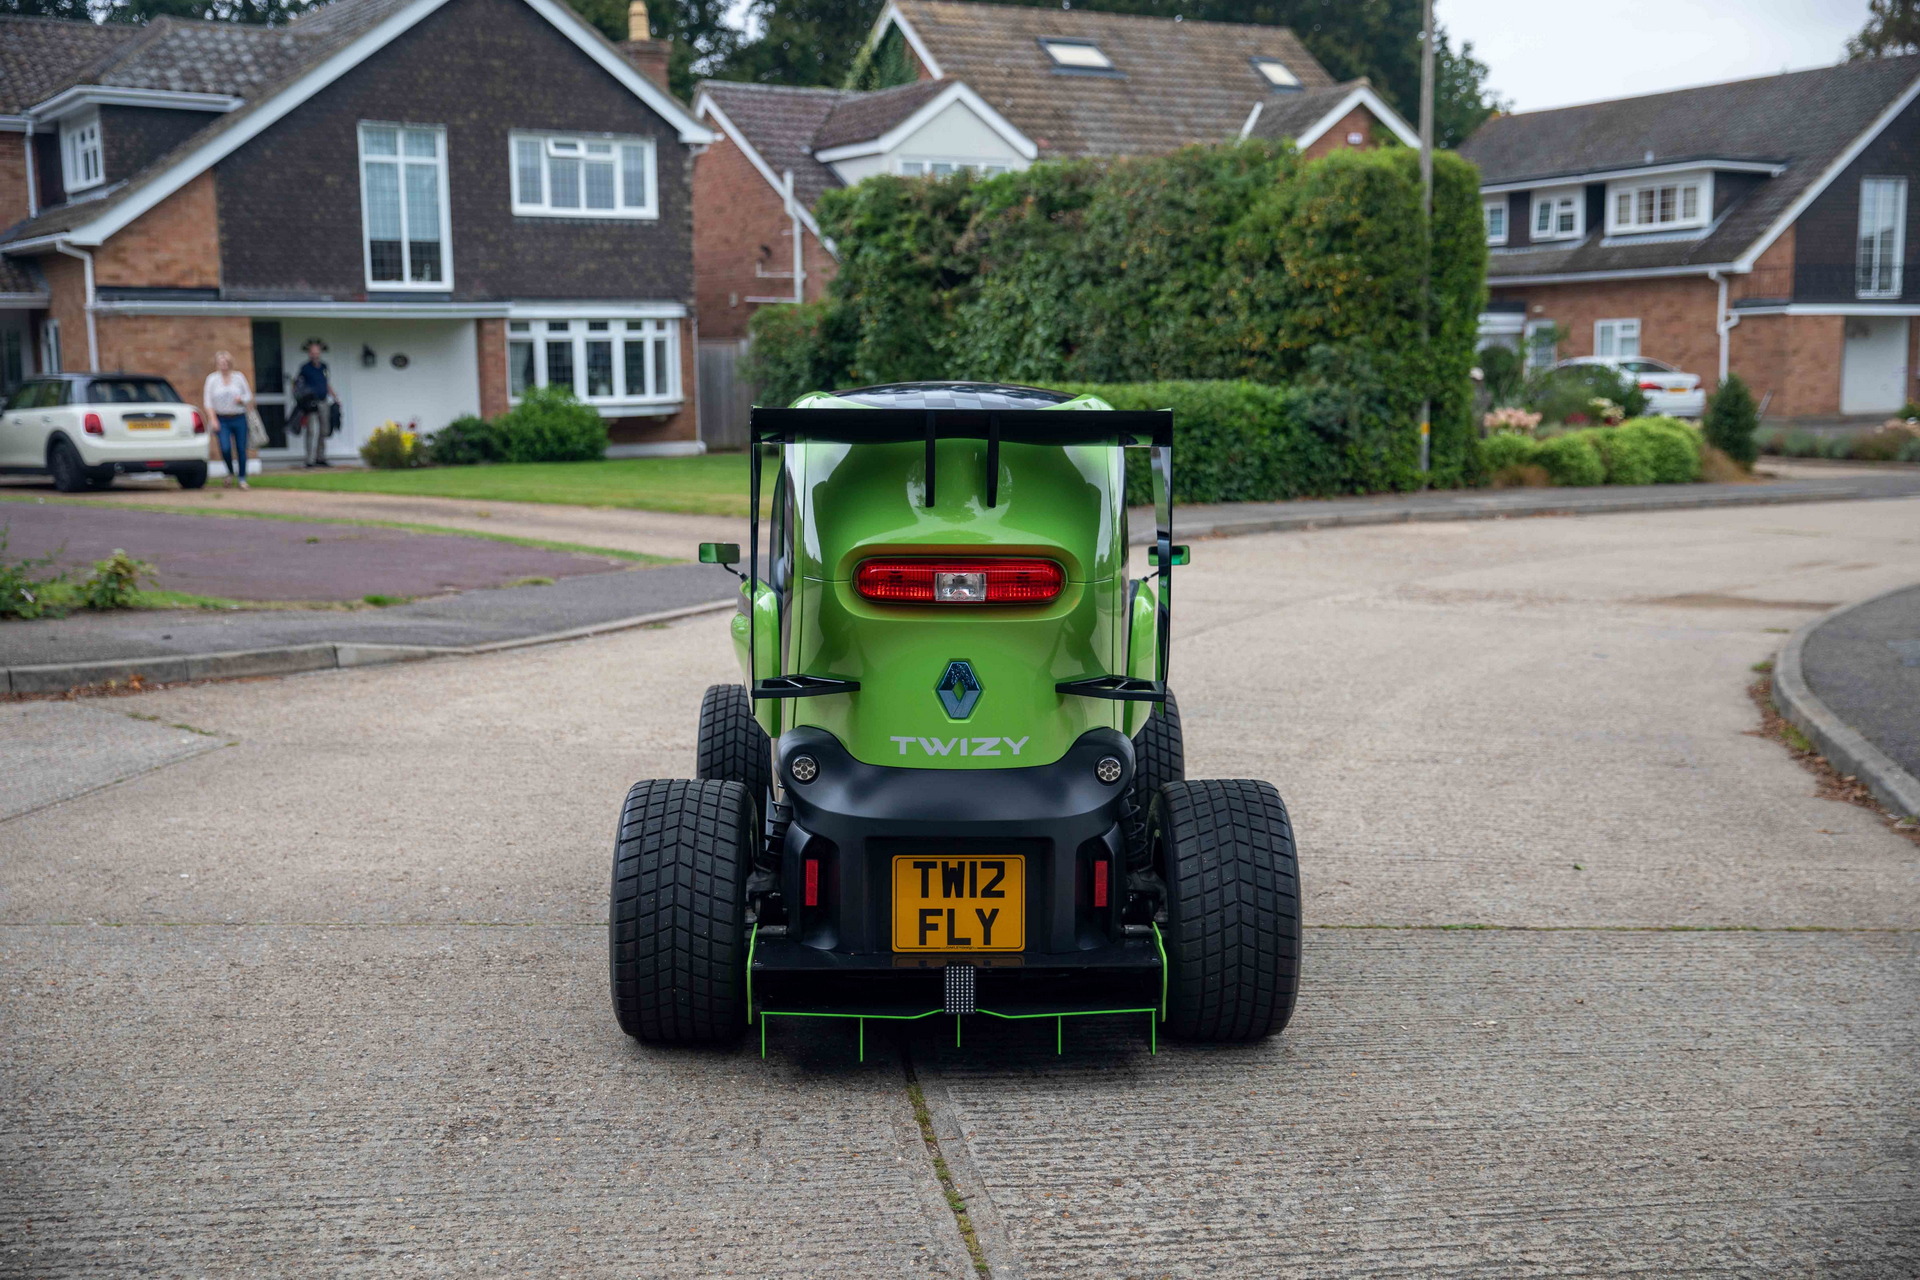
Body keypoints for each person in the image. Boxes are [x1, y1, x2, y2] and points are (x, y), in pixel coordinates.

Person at [202, 350, 254, 489]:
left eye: (226, 362)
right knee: (225, 448)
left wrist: (241, 399)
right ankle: (230, 472)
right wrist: (213, 419)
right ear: (217, 364)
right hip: (221, 418)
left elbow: (248, 396)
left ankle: (242, 478)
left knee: (241, 448)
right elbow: (208, 401)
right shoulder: (212, 379)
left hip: (239, 417)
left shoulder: (239, 377)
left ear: (230, 363)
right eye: (221, 363)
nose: (223, 365)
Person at [292, 339, 339, 468]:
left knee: (324, 430)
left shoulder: (324, 367)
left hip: (323, 402)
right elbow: (297, 384)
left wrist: (335, 397)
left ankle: (320, 457)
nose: (315, 355)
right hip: (311, 405)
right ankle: (309, 459)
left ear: (320, 353)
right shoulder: (305, 368)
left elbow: (326, 383)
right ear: (309, 354)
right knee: (311, 431)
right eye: (312, 353)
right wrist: (301, 399)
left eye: (317, 353)